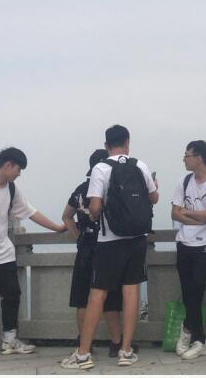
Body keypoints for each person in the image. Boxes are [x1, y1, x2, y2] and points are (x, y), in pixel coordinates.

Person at [61, 125, 159, 370]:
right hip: (137, 238)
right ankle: (126, 351)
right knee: (131, 292)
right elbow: (154, 197)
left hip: (110, 240)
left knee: (98, 293)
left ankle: (83, 354)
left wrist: (96, 215)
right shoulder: (140, 165)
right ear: (128, 142)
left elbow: (94, 206)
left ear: (106, 145)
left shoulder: (101, 168)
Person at [0, 147, 67, 361]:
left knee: (12, 294)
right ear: (8, 165)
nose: (19, 174)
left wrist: (56, 227)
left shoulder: (12, 189)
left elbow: (30, 211)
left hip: (3, 252)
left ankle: (9, 339)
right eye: (18, 169)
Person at [61, 149, 124, 357]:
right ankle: (116, 343)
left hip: (85, 249)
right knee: (111, 298)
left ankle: (84, 343)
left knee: (82, 298)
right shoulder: (110, 188)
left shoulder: (81, 190)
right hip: (108, 247)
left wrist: (79, 237)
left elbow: (66, 216)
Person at [171, 140, 206, 360]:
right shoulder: (184, 181)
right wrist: (198, 218)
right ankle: (200, 340)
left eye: (187, 155)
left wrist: (188, 213)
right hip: (184, 242)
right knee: (187, 290)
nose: (184, 159)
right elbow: (175, 213)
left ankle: (189, 331)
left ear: (199, 158)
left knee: (197, 286)